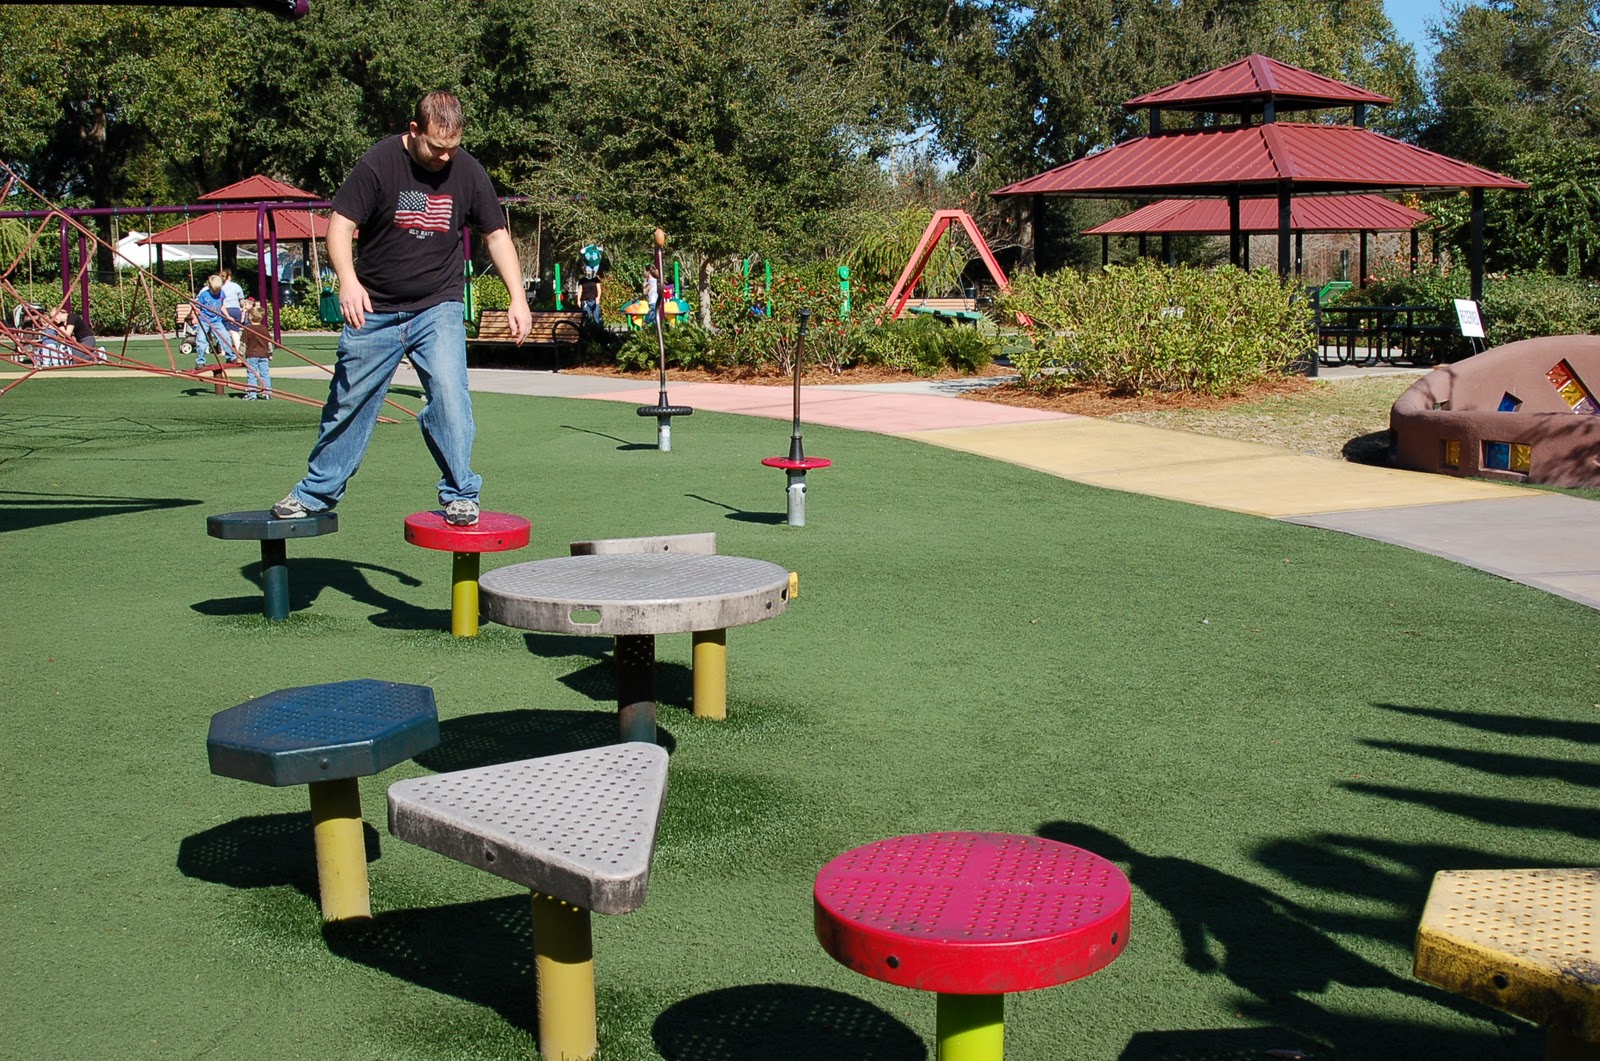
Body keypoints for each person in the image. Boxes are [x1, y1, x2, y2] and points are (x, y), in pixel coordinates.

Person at [272, 90, 531, 527]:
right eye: (436, 147)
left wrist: (517, 297)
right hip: (375, 309)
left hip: (437, 306)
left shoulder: (466, 170)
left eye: (453, 147)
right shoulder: (378, 164)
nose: (445, 157)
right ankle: (316, 492)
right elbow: (340, 226)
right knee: (349, 402)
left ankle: (461, 493)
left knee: (450, 396)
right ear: (414, 130)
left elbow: (496, 235)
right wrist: (348, 282)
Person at [193, 275, 236, 367]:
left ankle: (231, 357)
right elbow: (197, 307)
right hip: (204, 320)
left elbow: (221, 306)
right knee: (201, 340)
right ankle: (200, 361)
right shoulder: (204, 295)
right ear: (209, 286)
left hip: (217, 321)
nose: (216, 292)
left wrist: (228, 316)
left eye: (218, 291)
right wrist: (195, 317)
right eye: (214, 291)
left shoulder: (222, 293)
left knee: (225, 337)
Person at [240, 305, 273, 400]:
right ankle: (267, 392)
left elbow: (243, 343)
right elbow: (269, 343)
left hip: (252, 355)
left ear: (250, 317)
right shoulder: (264, 329)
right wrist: (270, 353)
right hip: (263, 355)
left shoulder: (247, 329)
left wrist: (240, 354)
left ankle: (252, 393)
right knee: (265, 374)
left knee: (252, 374)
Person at [219, 267, 246, 355]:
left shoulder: (220, 287)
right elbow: (241, 300)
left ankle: (223, 351)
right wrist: (243, 309)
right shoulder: (236, 286)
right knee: (234, 331)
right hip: (235, 309)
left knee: (222, 331)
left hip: (223, 309)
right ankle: (239, 350)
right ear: (229, 277)